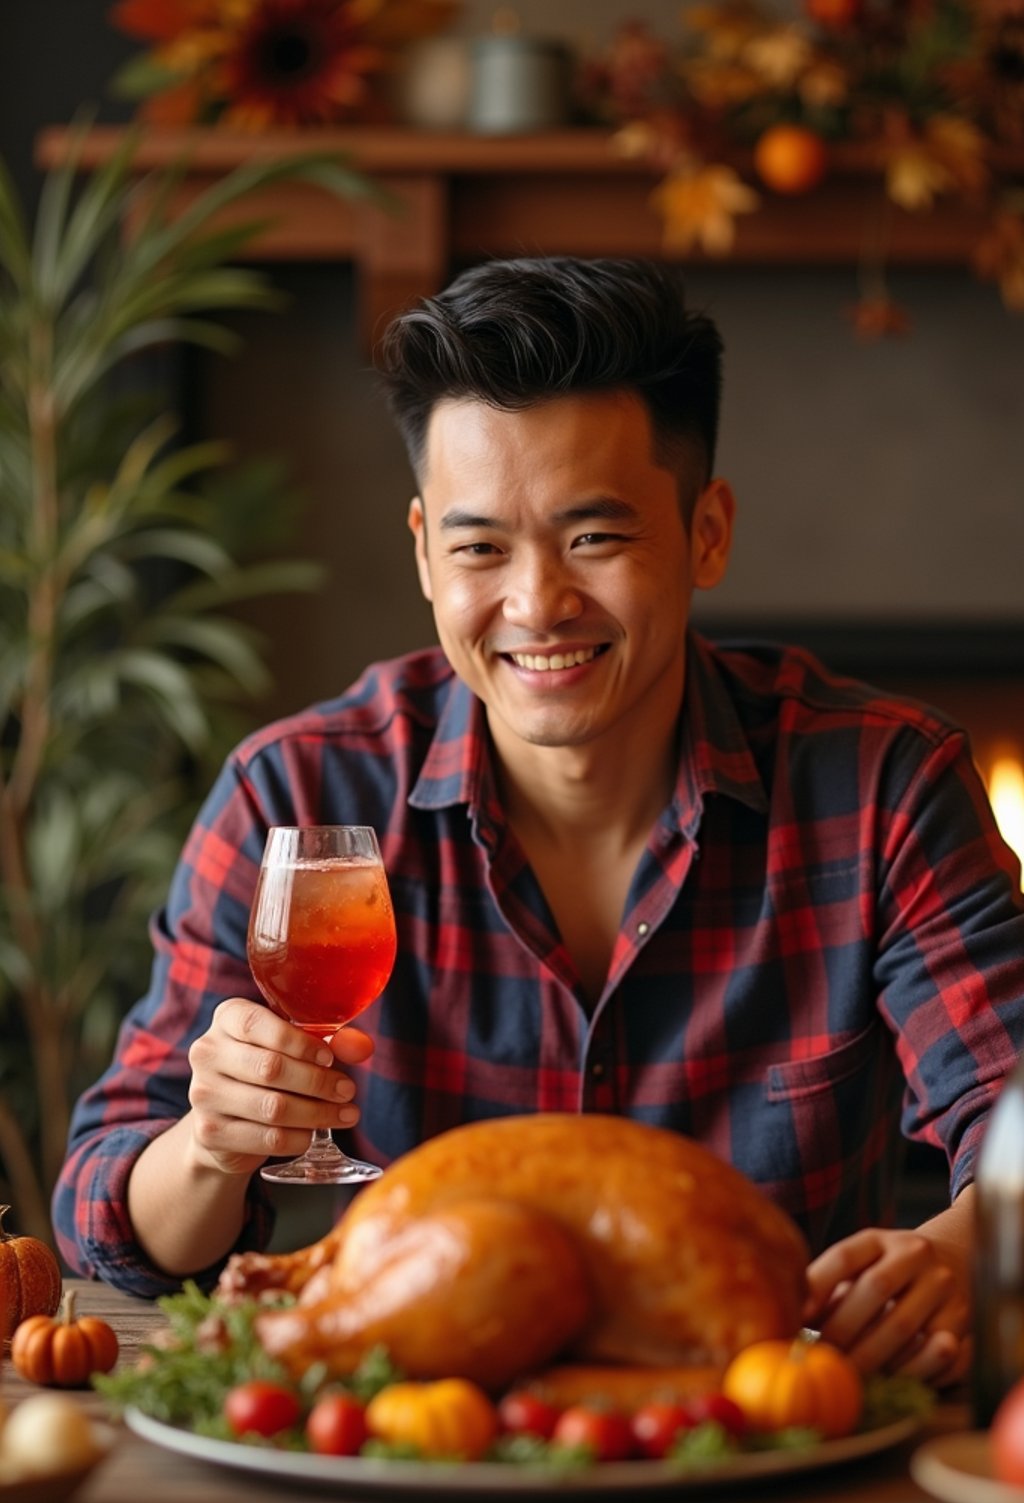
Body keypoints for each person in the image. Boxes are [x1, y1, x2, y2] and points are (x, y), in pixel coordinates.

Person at [53, 256, 1023, 1390]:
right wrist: (209, 1147)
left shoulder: (881, 787)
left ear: (706, 531)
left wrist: (968, 1249)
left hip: (754, 1455)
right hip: (395, 1458)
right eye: (479, 548)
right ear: (422, 551)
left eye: (593, 538)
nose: (535, 604)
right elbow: (99, 1207)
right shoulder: (297, 797)